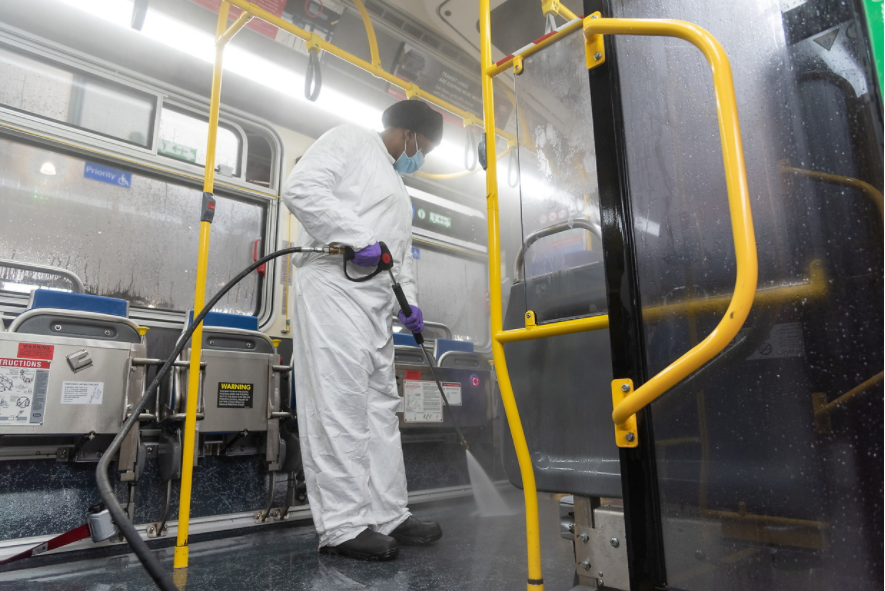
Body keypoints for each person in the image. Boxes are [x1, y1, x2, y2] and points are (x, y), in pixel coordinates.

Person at [282, 100, 444, 561]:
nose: (421, 157)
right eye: (424, 148)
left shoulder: (396, 182)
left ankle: (388, 512)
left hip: (374, 302)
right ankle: (343, 526)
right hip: (334, 285)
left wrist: (409, 304)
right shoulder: (350, 139)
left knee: (378, 407)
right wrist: (356, 237)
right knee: (339, 404)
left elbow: (400, 254)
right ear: (408, 132)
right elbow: (303, 188)